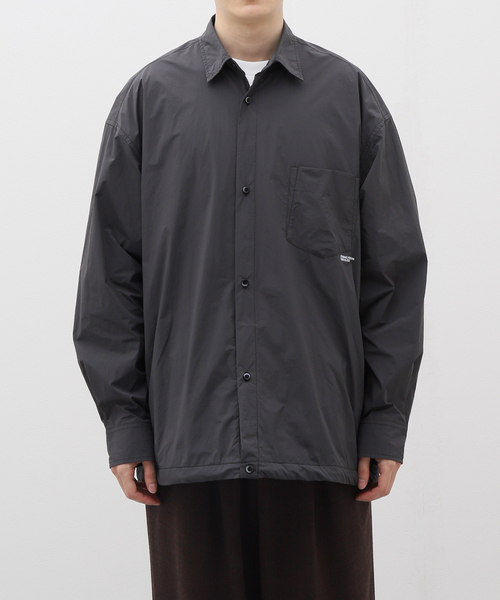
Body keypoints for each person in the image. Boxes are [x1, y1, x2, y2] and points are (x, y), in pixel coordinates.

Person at [73, 1, 428, 598]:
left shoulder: (348, 99)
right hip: (189, 445)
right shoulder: (149, 101)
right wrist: (127, 423)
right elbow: (109, 277)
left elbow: (393, 274)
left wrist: (384, 420)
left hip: (320, 444)